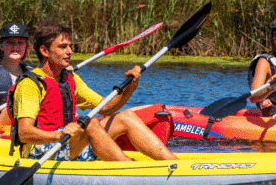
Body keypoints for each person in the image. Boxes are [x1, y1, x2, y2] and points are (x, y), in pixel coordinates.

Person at [10, 22, 175, 162]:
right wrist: (58, 136)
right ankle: (129, 169)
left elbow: (106, 108)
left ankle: (174, 164)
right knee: (90, 123)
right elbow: (24, 133)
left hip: (69, 143)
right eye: (62, 47)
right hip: (39, 152)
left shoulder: (70, 78)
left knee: (126, 117)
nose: (70, 51)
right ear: (45, 51)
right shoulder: (30, 84)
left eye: (70, 46)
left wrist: (130, 87)